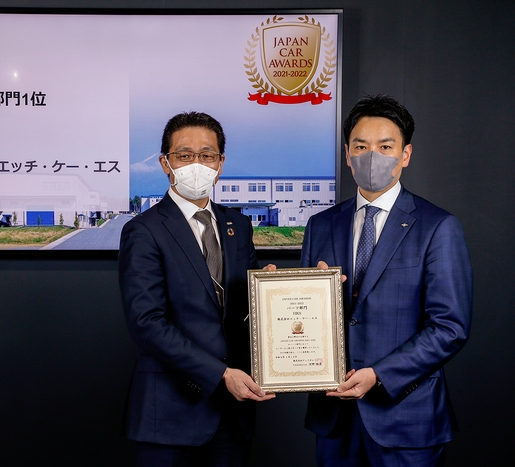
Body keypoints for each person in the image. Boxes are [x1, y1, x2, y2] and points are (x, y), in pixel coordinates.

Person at [300, 94, 473, 466]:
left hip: (406, 415)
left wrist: (379, 375)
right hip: (334, 418)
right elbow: (306, 315)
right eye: (361, 146)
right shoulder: (320, 225)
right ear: (347, 154)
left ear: (405, 154)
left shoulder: (437, 226)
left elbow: (450, 327)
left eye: (385, 147)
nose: (372, 156)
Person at [119, 111, 275, 467]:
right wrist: (220, 374)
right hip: (171, 413)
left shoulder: (238, 225)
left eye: (206, 155)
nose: (196, 164)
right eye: (184, 155)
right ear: (166, 163)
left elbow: (245, 307)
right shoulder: (144, 230)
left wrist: (275, 292)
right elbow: (146, 323)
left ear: (220, 163)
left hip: (234, 412)